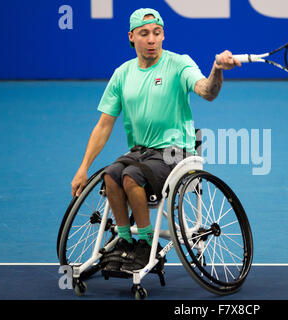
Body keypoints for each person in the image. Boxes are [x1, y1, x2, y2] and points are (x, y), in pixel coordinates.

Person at [70, 8, 240, 272]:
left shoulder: (179, 64)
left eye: (157, 33)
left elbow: (207, 91)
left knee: (131, 177)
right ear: (132, 37)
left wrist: (217, 69)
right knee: (112, 175)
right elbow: (103, 126)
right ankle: (126, 241)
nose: (151, 39)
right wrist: (83, 167)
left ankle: (147, 244)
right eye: (144, 33)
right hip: (140, 151)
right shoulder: (122, 74)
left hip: (176, 152)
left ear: (163, 35)